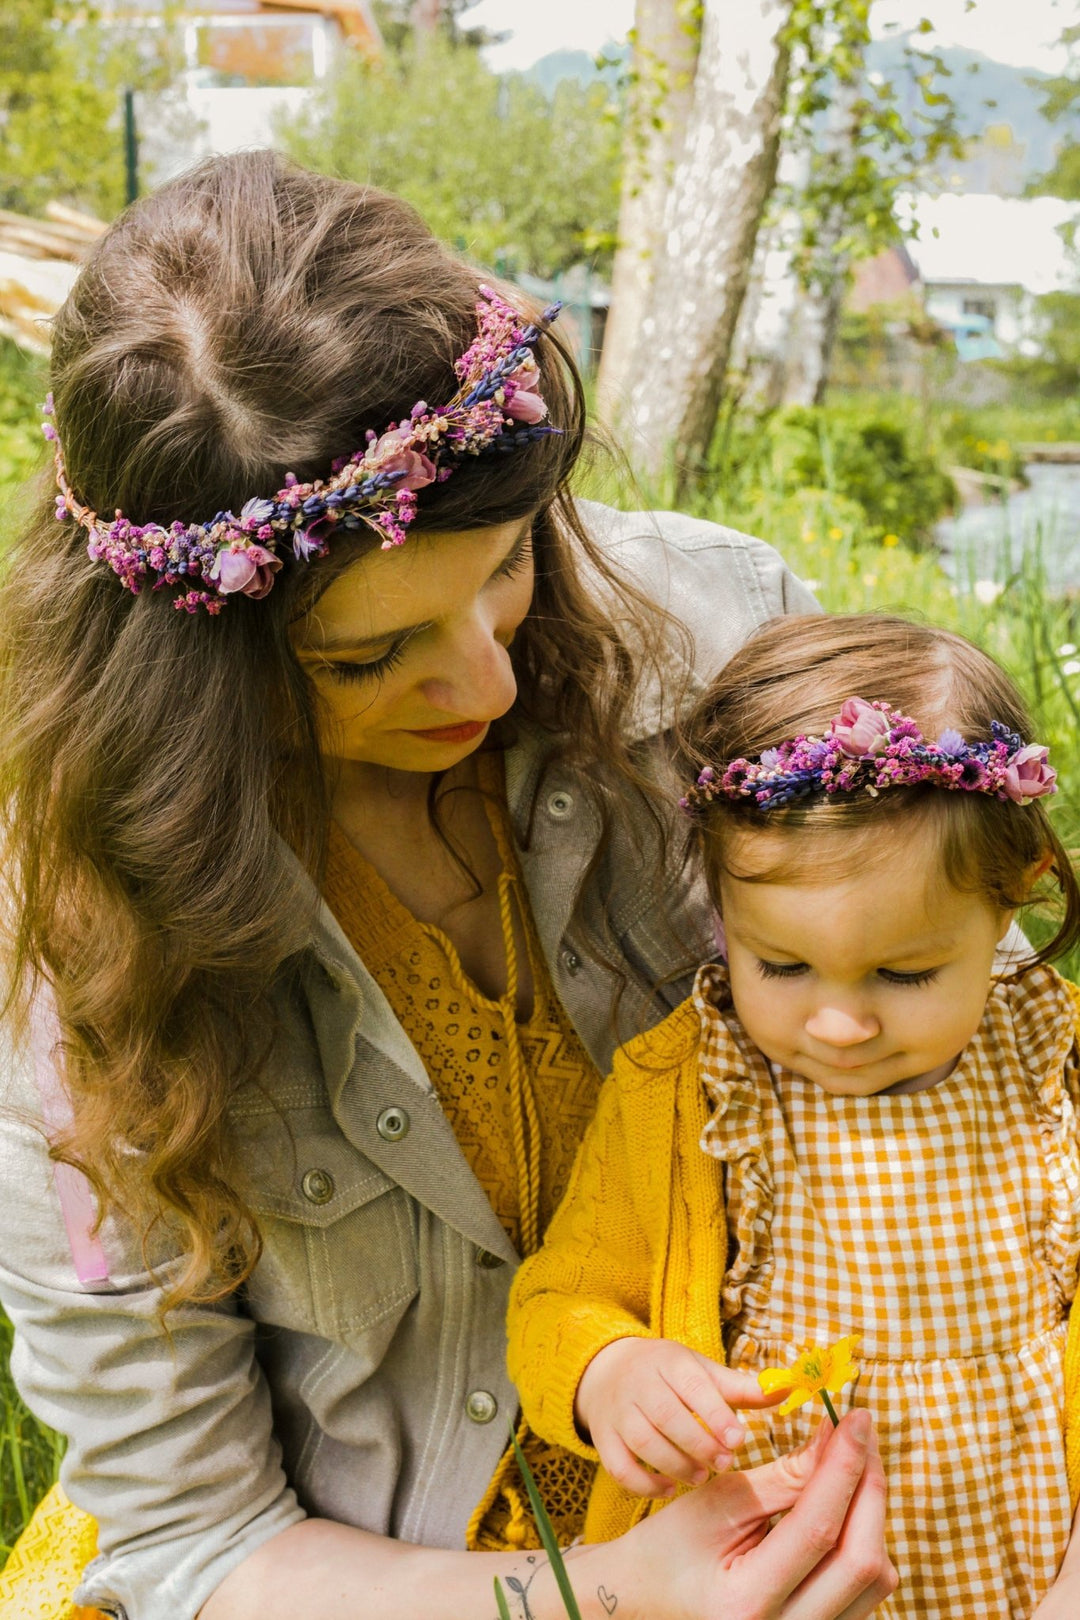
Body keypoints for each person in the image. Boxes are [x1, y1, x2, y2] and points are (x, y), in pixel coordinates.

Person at [0, 151, 896, 1620]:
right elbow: (194, 1537)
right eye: (366, 658)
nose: (482, 674)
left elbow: (985, 1057)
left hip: (807, 1491)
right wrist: (605, 1592)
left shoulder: (724, 631)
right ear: (189, 676)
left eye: (504, 569)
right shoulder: (80, 938)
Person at [507, 610, 1080, 1620]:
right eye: (781, 963)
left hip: (1030, 1573)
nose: (841, 1022)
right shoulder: (686, 1090)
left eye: (905, 973)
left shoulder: (1053, 1065)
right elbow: (558, 1297)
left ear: (1014, 899)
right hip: (770, 1580)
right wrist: (612, 1370)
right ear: (720, 910)